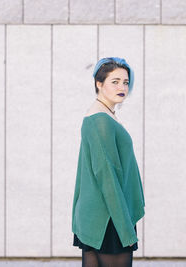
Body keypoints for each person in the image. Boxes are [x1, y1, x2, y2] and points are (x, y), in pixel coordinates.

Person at [72, 57, 145, 267]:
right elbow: (107, 176)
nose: (122, 87)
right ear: (99, 83)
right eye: (115, 81)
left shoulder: (103, 115)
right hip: (109, 218)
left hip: (100, 216)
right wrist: (124, 228)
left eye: (125, 82)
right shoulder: (100, 121)